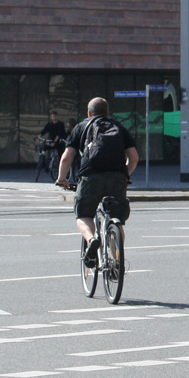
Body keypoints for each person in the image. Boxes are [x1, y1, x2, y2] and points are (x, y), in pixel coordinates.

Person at [56, 98, 139, 266]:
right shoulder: (119, 127)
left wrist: (62, 179)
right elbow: (134, 159)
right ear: (108, 112)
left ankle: (92, 239)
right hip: (117, 178)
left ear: (89, 113)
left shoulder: (81, 127)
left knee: (84, 215)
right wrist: (124, 175)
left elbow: (66, 158)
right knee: (116, 218)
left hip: (90, 177)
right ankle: (116, 260)